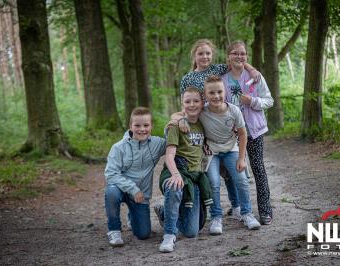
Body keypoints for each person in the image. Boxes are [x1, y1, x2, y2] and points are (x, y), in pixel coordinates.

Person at [179, 38, 259, 218]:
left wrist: (251, 69)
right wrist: (182, 118)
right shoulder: (188, 78)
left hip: (223, 120)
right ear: (194, 56)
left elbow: (237, 61)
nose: (204, 56)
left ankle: (237, 205)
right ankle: (207, 211)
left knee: (230, 171)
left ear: (212, 55)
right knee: (212, 173)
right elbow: (184, 103)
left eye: (208, 53)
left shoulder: (218, 69)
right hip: (201, 125)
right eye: (200, 53)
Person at [175, 76, 261, 234]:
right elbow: (182, 113)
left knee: (241, 179)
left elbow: (242, 134)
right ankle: (216, 217)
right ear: (205, 95)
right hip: (212, 152)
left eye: (219, 92)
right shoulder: (202, 111)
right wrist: (180, 120)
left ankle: (247, 213)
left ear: (225, 91)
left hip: (231, 149)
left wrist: (242, 159)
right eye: (211, 93)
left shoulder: (234, 110)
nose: (216, 96)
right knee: (213, 182)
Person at [222, 41, 274, 225]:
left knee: (258, 168)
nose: (239, 57)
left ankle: (265, 210)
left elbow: (269, 100)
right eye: (235, 53)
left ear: (247, 56)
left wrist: (252, 101)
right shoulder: (223, 80)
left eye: (242, 54)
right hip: (233, 133)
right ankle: (242, 209)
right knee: (236, 171)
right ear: (228, 56)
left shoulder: (255, 77)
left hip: (255, 130)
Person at [156, 87, 211, 253]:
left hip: (194, 177)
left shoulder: (204, 123)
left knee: (191, 231)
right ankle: (169, 234)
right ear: (182, 104)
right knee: (175, 185)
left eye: (196, 101)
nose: (192, 104)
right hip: (176, 169)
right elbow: (169, 156)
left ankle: (165, 210)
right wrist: (175, 174)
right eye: (188, 101)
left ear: (202, 103)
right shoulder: (176, 126)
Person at [104, 107, 166, 246]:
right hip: (122, 189)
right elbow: (111, 174)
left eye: (146, 125)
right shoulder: (118, 147)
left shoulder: (157, 144)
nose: (142, 129)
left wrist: (178, 122)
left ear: (151, 126)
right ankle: (114, 230)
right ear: (130, 126)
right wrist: (133, 189)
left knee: (143, 234)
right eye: (137, 125)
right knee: (111, 192)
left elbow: (175, 142)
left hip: (140, 197)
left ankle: (133, 216)